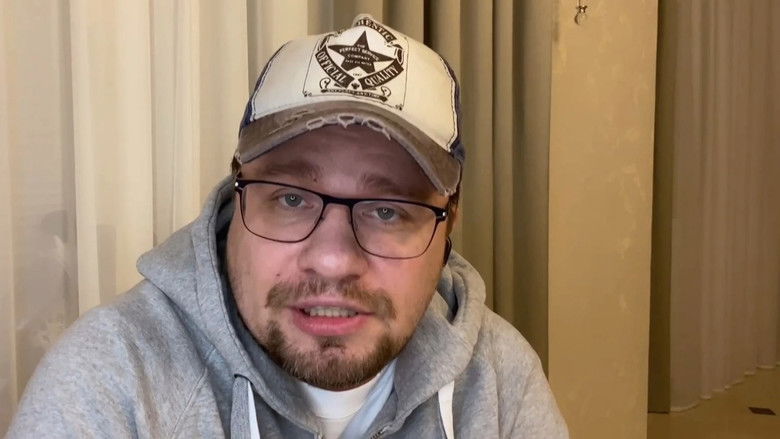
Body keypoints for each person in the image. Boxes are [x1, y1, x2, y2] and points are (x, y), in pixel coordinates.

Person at [8, 15, 567, 438]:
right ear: (236, 199)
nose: (333, 259)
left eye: (388, 210)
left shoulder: (499, 381)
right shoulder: (112, 382)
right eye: (292, 199)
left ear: (448, 231)